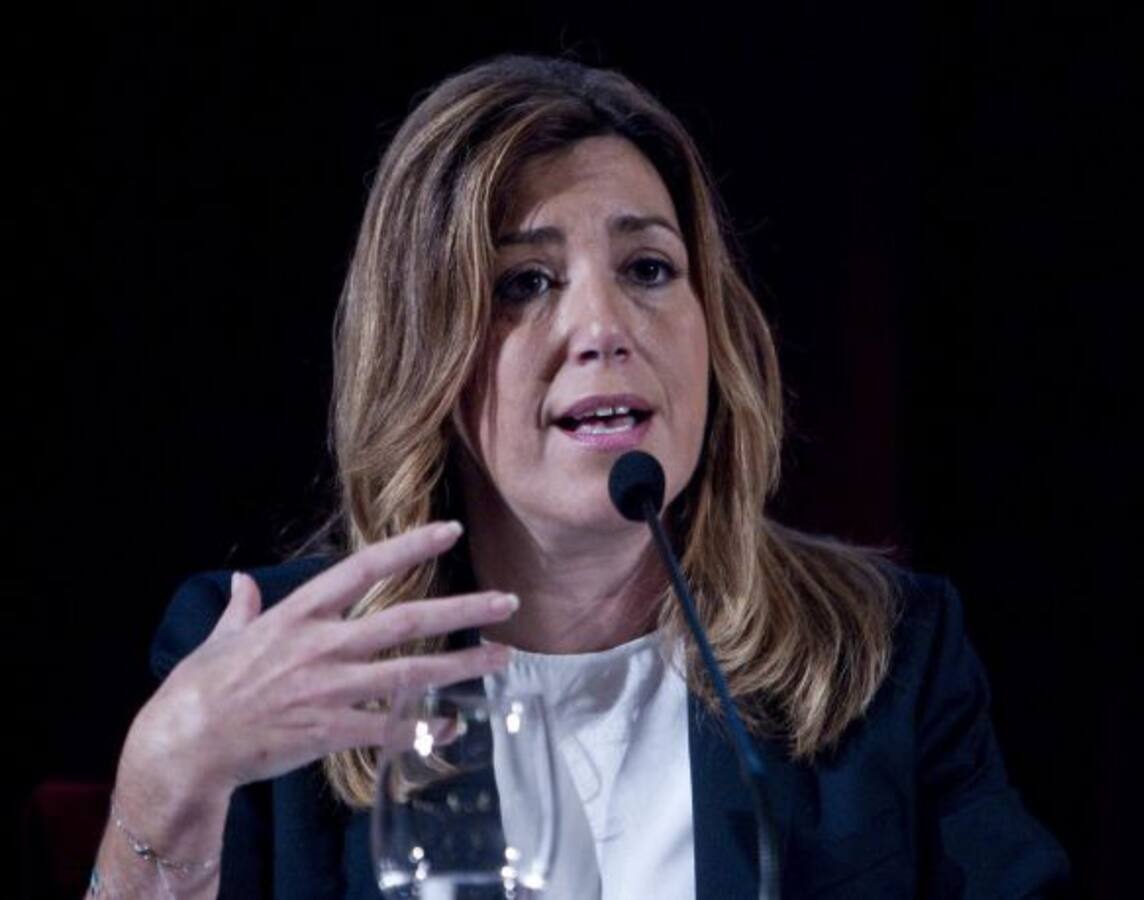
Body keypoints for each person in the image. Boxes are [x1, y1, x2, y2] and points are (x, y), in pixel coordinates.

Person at [88, 55, 1071, 898]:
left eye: (647, 269)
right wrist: (162, 789)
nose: (603, 328)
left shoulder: (881, 656)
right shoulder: (277, 659)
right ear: (424, 352)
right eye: (525, 283)